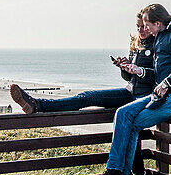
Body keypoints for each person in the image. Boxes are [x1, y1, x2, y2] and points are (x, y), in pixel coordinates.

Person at [88, 3, 171, 175]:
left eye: (147, 24)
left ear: (158, 22)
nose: (144, 28)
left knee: (133, 123)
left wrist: (166, 83)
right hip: (162, 94)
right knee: (123, 113)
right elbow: (159, 73)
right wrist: (138, 71)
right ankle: (114, 174)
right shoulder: (160, 37)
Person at [9, 13, 156, 114]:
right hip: (129, 92)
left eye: (143, 26)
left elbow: (157, 76)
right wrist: (125, 68)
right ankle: (37, 104)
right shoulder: (136, 45)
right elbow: (129, 79)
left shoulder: (157, 46)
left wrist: (138, 70)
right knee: (86, 96)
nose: (140, 30)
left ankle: (38, 104)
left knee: (88, 97)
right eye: (138, 27)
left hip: (143, 97)